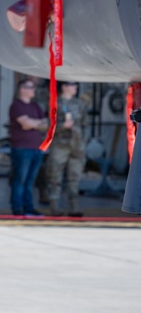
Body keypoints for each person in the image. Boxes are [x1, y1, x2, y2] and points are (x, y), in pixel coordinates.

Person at [46, 81, 88, 217]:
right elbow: (48, 124)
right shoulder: (55, 103)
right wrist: (61, 126)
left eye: (76, 85)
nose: (76, 87)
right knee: (55, 176)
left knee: (75, 177)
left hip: (77, 145)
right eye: (72, 85)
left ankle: (74, 208)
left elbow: (85, 124)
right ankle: (54, 208)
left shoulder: (80, 104)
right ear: (64, 87)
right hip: (60, 145)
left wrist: (83, 141)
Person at [9, 78, 49, 216]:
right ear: (22, 89)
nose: (33, 90)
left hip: (36, 148)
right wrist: (36, 123)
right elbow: (25, 124)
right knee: (20, 179)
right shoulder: (16, 106)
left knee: (30, 181)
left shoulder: (35, 106)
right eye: (30, 87)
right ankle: (17, 208)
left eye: (34, 87)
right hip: (22, 149)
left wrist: (34, 123)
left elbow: (45, 124)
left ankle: (28, 207)